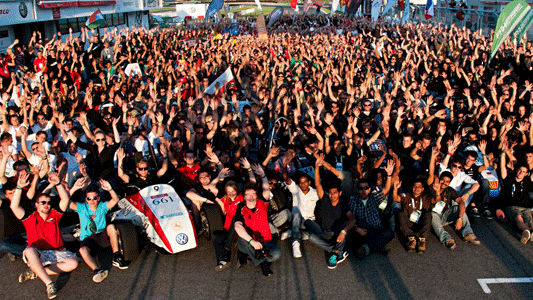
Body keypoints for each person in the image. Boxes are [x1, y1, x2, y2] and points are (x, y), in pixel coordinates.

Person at [10, 172, 78, 299]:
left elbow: (65, 199)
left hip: (57, 251)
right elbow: (14, 206)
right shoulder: (29, 218)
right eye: (43, 202)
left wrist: (58, 183)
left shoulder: (55, 215)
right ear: (36, 205)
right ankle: (49, 283)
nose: (46, 204)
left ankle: (37, 272)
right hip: (38, 253)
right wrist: (19, 187)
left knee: (73, 264)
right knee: (29, 250)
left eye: (48, 202)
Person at [69, 177, 127, 283]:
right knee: (82, 250)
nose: (92, 201)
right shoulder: (82, 207)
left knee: (110, 227)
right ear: (86, 200)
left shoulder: (102, 206)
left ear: (98, 198)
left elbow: (115, 200)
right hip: (89, 238)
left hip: (102, 235)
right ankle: (97, 270)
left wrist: (110, 189)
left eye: (94, 198)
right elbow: (66, 202)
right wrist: (74, 188)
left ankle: (116, 256)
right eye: (89, 199)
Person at [309, 155, 355, 269]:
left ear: (339, 193)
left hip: (339, 232)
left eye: (335, 193)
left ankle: (334, 255)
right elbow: (317, 184)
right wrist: (317, 166)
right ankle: (337, 250)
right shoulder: (325, 199)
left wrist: (343, 232)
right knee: (311, 237)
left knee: (346, 225)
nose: (332, 195)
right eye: (330, 193)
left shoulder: (344, 202)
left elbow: (352, 219)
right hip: (327, 233)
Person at [349, 160, 395, 259]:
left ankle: (366, 248)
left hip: (377, 228)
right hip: (364, 229)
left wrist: (389, 175)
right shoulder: (353, 202)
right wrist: (356, 228)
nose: (363, 190)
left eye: (366, 188)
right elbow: (350, 219)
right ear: (358, 190)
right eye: (361, 188)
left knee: (390, 233)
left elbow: (386, 190)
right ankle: (379, 244)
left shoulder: (374, 197)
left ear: (369, 189)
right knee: (360, 223)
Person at [234, 183, 281, 277]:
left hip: (265, 240)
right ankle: (263, 263)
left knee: (276, 254)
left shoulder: (262, 204)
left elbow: (267, 191)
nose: (251, 197)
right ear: (244, 196)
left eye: (253, 194)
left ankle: (251, 258)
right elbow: (237, 226)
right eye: (248, 194)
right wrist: (252, 242)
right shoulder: (241, 209)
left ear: (256, 195)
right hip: (250, 242)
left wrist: (263, 176)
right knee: (241, 239)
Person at [428, 171, 480, 250]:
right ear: (439, 179)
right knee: (432, 213)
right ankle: (446, 239)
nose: (444, 183)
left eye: (447, 181)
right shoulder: (432, 187)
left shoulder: (450, 190)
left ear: (449, 183)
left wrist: (460, 218)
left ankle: (468, 234)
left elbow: (461, 202)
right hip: (431, 218)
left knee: (457, 207)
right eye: (442, 180)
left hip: (443, 216)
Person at [282, 153, 319, 259]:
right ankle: (295, 244)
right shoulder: (295, 189)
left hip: (308, 221)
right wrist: (284, 166)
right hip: (296, 219)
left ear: (309, 182)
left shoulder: (315, 192)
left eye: (305, 182)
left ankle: (291, 232)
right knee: (297, 214)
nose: (303, 184)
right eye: (301, 182)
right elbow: (286, 179)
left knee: (315, 235)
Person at [499, 146, 533, 244]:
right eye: (519, 170)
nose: (520, 173)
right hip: (512, 207)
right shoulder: (509, 179)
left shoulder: (527, 181)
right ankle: (527, 231)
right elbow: (502, 167)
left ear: (526, 174)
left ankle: (527, 231)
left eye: (523, 172)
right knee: (518, 218)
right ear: (516, 169)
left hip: (526, 208)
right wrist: (503, 153)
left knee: (528, 221)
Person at [393, 178, 435, 254]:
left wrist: (437, 191)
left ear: (422, 189)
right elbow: (396, 198)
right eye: (415, 186)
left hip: (420, 223)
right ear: (412, 188)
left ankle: (422, 240)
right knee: (400, 214)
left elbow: (437, 199)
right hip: (409, 223)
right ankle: (411, 238)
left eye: (419, 187)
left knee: (428, 214)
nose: (417, 188)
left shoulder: (425, 197)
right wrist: (395, 189)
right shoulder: (406, 195)